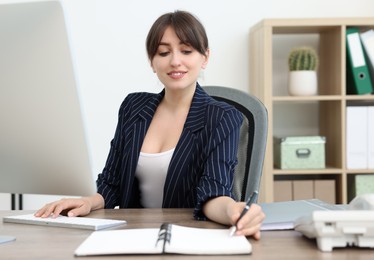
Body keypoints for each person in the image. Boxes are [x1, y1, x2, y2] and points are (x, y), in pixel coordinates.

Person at [35, 10, 265, 239]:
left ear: (205, 57)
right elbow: (111, 184)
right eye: (164, 52)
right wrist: (87, 202)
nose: (175, 61)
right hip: (131, 234)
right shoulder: (134, 107)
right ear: (152, 62)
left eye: (186, 51)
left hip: (187, 237)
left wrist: (233, 211)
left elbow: (213, 193)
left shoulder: (223, 117)